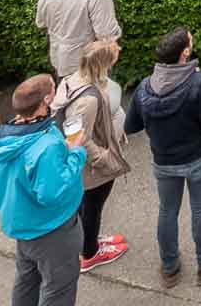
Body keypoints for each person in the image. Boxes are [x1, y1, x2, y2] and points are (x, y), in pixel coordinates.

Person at [124, 28, 201, 287]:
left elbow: (131, 125)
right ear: (185, 52)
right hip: (198, 158)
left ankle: (169, 267)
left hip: (163, 162)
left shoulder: (145, 87)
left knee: (167, 211)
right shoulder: (198, 83)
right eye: (191, 41)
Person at [0, 73, 89, 306]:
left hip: (23, 225)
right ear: (46, 100)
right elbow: (52, 194)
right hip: (51, 229)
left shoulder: (4, 139)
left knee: (26, 281)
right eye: (54, 87)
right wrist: (76, 152)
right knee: (58, 290)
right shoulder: (46, 145)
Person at [51, 38, 132, 274]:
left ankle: (89, 241)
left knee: (84, 205)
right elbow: (79, 136)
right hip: (93, 169)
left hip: (86, 166)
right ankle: (89, 253)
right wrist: (103, 159)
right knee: (92, 207)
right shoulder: (88, 100)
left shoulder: (72, 80)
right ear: (102, 65)